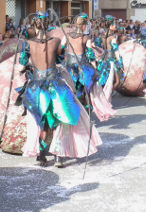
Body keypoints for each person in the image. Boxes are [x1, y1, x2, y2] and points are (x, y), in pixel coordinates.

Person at [15, 11, 102, 167]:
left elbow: (21, 66)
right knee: (58, 122)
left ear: (34, 26)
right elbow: (61, 59)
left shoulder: (27, 44)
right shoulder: (55, 41)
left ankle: (41, 156)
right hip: (55, 86)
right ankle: (58, 157)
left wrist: (28, 66)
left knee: (42, 123)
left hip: (36, 88)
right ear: (48, 25)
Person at [61, 13, 115, 122]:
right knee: (86, 91)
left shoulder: (66, 35)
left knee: (71, 91)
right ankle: (85, 115)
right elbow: (90, 55)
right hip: (83, 68)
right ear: (84, 26)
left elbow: (61, 49)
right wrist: (95, 69)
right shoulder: (86, 38)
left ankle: (73, 113)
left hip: (69, 67)